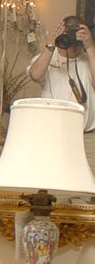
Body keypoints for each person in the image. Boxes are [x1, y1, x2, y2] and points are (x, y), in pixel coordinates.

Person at [28, 15, 95, 168]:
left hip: (88, 138)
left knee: (90, 188)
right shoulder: (48, 57)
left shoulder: (89, 59)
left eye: (75, 34)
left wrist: (90, 46)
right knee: (56, 187)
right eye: (68, 33)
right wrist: (51, 44)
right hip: (53, 135)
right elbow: (35, 74)